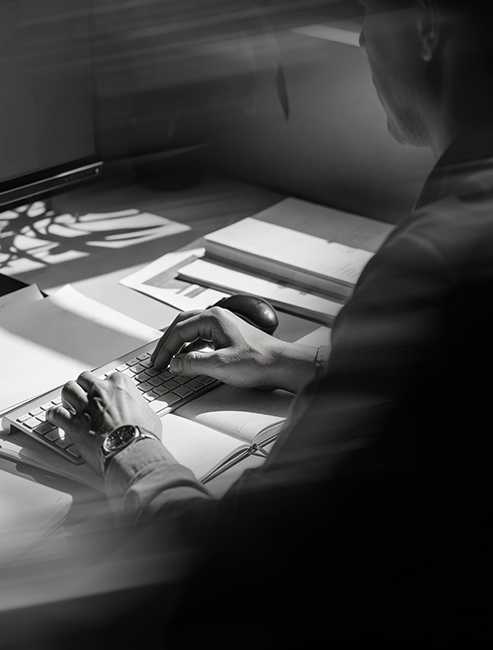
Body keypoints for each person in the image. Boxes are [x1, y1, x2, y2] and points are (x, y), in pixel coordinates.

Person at [48, 0, 493, 642]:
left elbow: (232, 570)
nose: (362, 37)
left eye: (370, 12)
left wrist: (132, 448)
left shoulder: (437, 259)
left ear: (425, 27)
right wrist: (294, 361)